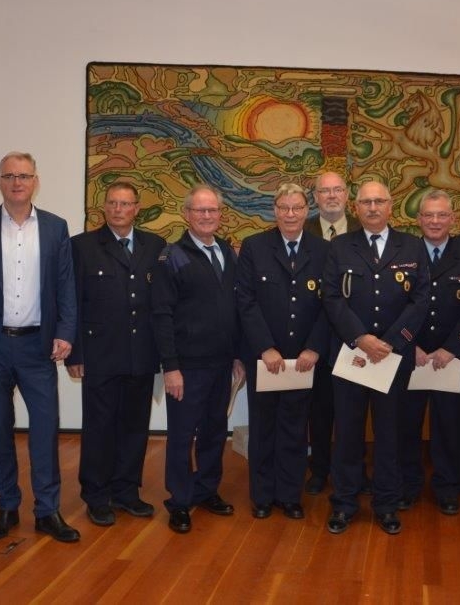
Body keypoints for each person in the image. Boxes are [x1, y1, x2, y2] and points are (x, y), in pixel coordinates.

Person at [0, 152, 80, 543]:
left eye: (24, 176)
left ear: (35, 181)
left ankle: (47, 510)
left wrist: (66, 331)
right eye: (9, 175)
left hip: (37, 347)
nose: (17, 182)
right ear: (0, 181)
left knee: (45, 429)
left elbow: (65, 286)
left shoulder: (56, 227)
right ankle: (6, 505)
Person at [322, 180, 429, 535]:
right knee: (348, 433)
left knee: (390, 434)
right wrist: (361, 338)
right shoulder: (340, 247)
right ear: (355, 207)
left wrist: (393, 341)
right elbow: (332, 298)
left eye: (378, 201)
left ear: (391, 205)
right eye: (365, 202)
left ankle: (386, 503)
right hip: (353, 355)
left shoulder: (412, 246)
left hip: (393, 359)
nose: (372, 208)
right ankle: (345, 503)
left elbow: (422, 300)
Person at [65, 182, 165, 526]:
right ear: (103, 207)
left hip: (142, 353)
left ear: (137, 208)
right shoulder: (83, 246)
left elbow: (162, 303)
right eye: (113, 203)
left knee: (135, 426)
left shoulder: (155, 245)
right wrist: (74, 353)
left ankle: (126, 491)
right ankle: (96, 494)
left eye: (125, 204)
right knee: (100, 427)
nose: (119, 209)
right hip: (100, 353)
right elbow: (72, 302)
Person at [152, 184, 246, 534]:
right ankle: (179, 500)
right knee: (181, 435)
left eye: (213, 211)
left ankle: (206, 490)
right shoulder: (171, 256)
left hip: (222, 363)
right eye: (200, 211)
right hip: (187, 366)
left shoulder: (227, 251)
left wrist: (237, 354)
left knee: (213, 431)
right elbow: (161, 315)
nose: (207, 216)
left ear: (221, 215)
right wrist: (171, 367)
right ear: (187, 214)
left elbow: (235, 309)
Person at [236, 183, 329, 520]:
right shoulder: (254, 247)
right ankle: (262, 496)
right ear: (274, 210)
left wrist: (314, 348)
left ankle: (290, 495)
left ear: (307, 211)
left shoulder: (323, 250)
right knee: (262, 427)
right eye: (284, 208)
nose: (290, 214)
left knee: (294, 427)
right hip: (265, 357)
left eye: (297, 208)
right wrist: (265, 347)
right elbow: (245, 301)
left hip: (303, 359)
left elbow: (327, 304)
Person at [398, 190, 460, 515]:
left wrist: (454, 347)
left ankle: (447, 486)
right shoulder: (402, 252)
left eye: (441, 215)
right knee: (407, 425)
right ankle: (408, 485)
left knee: (450, 426)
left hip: (450, 359)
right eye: (428, 215)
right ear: (418, 220)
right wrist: (406, 344)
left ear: (453, 218)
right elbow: (393, 305)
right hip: (411, 355)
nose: (434, 221)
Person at [303, 171, 361, 494]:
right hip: (314, 336)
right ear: (315, 197)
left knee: (351, 412)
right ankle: (319, 469)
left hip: (353, 337)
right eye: (324, 191)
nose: (331, 196)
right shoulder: (304, 230)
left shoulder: (361, 228)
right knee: (319, 409)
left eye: (337, 189)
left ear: (347, 194)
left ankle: (352, 471)